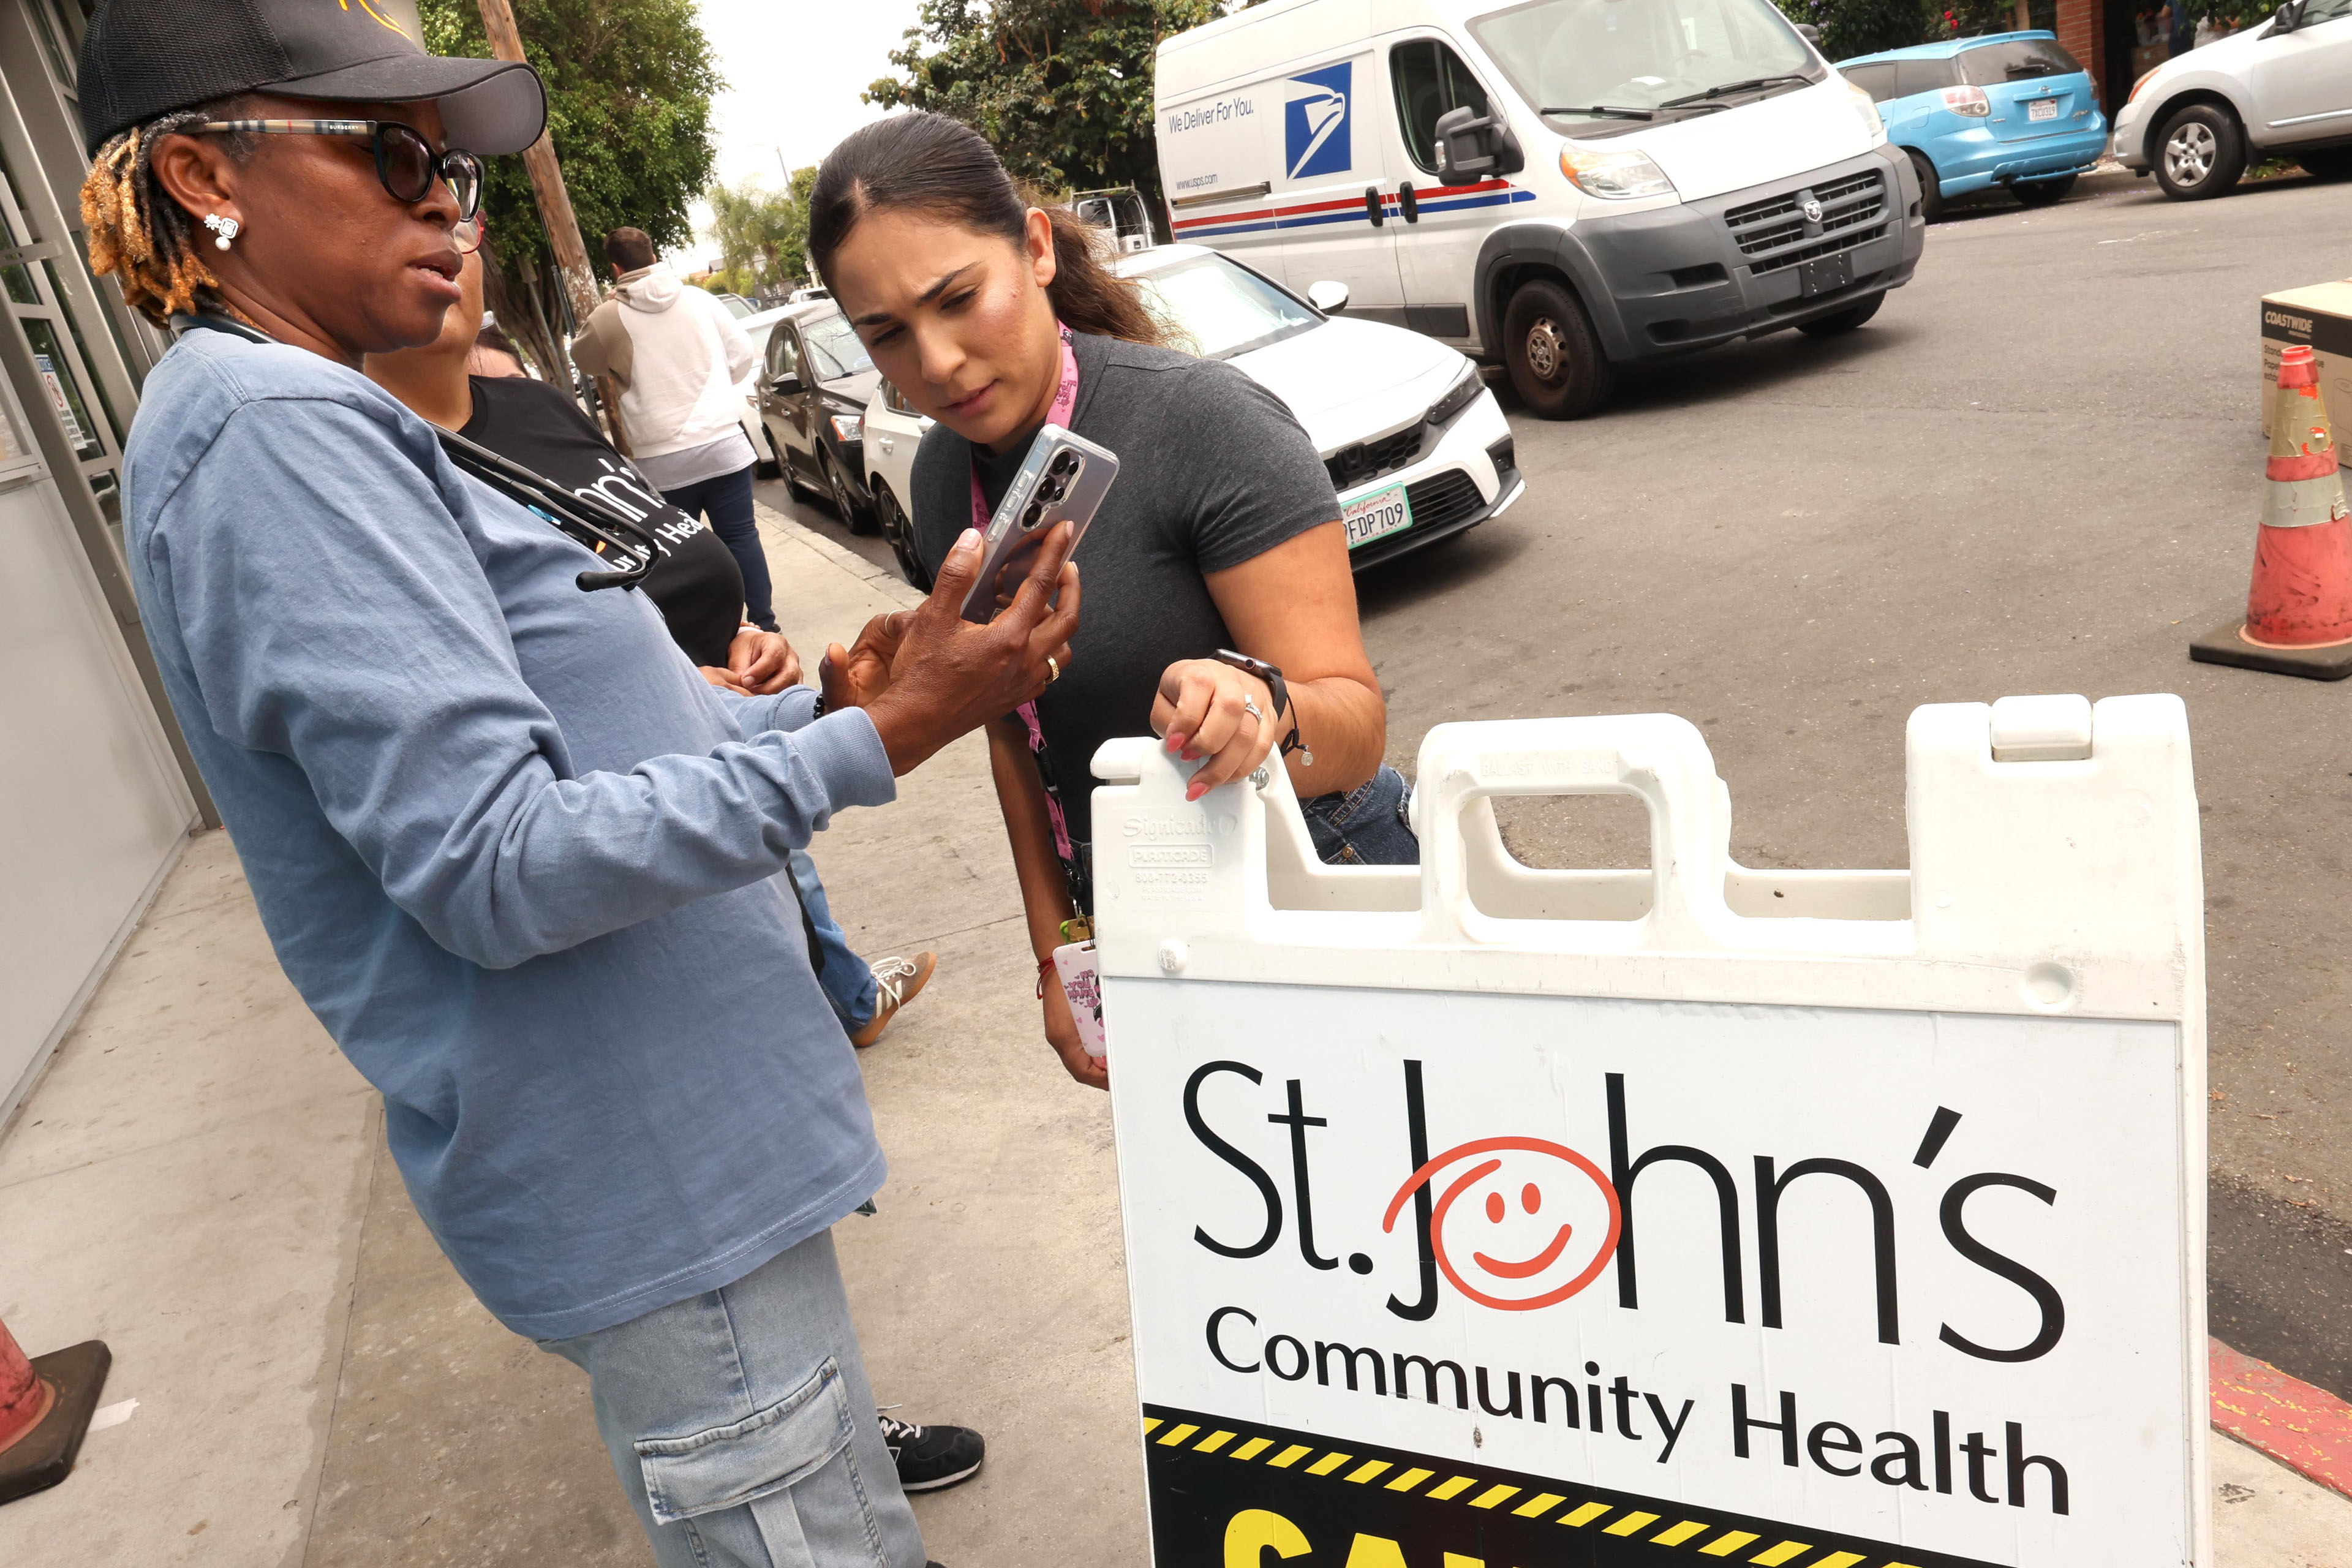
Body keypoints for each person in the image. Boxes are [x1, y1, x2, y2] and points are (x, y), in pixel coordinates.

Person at [77, 3, 1079, 1562]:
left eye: (459, 175)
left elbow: (593, 754)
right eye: (395, 154)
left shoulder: (315, 416)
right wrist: (881, 740)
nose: (442, 200)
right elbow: (501, 864)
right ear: (207, 172)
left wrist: (832, 697)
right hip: (652, 1177)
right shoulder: (271, 434)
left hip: (687, 1157)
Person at [809, 114, 1411, 1093]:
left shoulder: (1206, 422)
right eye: (888, 335)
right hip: (1147, 919)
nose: (939, 364)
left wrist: (1260, 707)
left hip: (1322, 881)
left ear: (1037, 247)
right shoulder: (938, 476)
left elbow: (1358, 725)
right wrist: (1059, 955)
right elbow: (1012, 736)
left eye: (958, 299)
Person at [362, 250, 942, 1050]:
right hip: (663, 871)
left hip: (728, 740)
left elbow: (637, 566)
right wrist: (842, 742)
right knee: (779, 869)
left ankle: (841, 995)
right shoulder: (387, 488)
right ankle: (847, 994)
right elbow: (498, 846)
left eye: (459, 189)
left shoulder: (534, 410)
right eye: (392, 166)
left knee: (779, 880)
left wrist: (746, 646)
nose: (439, 227)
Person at [572, 226, 777, 636]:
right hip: (723, 443)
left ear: (616, 268)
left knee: (682, 551)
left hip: (663, 459)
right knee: (741, 537)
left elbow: (583, 357)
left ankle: (715, 632)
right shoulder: (701, 300)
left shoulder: (610, 317)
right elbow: (739, 356)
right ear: (654, 255)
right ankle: (766, 626)